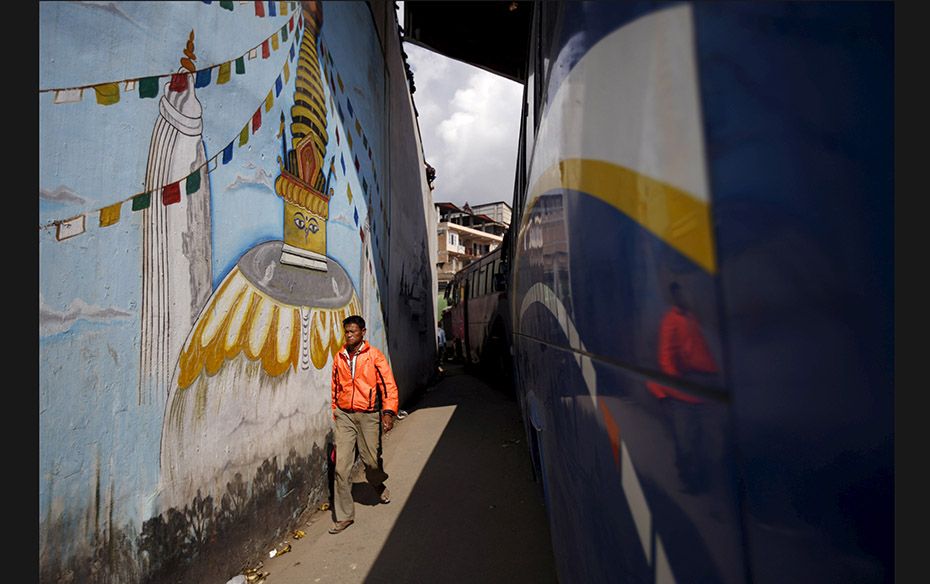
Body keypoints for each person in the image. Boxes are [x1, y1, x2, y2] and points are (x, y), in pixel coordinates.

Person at [329, 315, 399, 534]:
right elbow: (334, 386)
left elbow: (388, 385)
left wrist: (388, 412)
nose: (349, 335)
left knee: (371, 461)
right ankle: (344, 516)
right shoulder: (339, 357)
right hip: (345, 416)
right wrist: (335, 411)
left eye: (353, 332)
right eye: (346, 332)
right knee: (341, 467)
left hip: (368, 415)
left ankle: (377, 483)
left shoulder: (374, 356)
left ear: (363, 332)